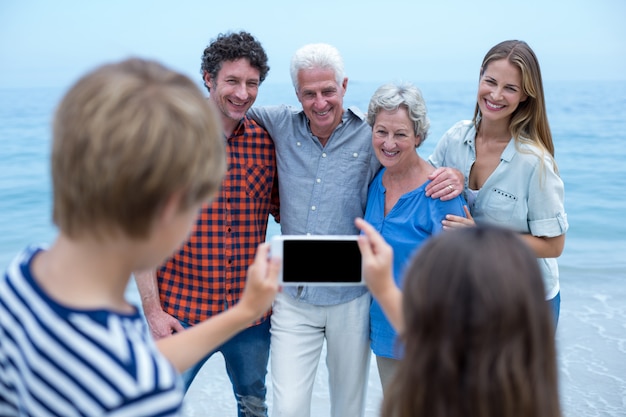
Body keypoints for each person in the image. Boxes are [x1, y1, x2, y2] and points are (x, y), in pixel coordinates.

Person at [0, 58, 279, 416]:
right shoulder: (143, 394)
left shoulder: (24, 272)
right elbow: (139, 378)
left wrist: (243, 313)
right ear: (170, 210)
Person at [133, 31, 279, 416]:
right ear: (207, 78)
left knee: (252, 406)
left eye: (252, 84)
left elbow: (297, 214)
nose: (242, 93)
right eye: (232, 81)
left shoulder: (266, 142)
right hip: (180, 316)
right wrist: (153, 313)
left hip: (250, 319)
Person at [355, 217, 562, 417]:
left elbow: (426, 339)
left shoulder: (440, 402)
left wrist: (383, 288)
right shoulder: (532, 400)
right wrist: (384, 289)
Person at [426, 40, 568, 327]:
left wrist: (484, 237)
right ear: (480, 77)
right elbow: (421, 186)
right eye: (490, 81)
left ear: (526, 96)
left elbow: (553, 245)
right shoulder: (455, 138)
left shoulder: (534, 161)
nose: (496, 94)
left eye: (510, 88)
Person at [364, 82, 467, 392]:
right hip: (384, 332)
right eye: (381, 131)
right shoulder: (375, 180)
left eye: (401, 134)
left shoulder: (440, 192)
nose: (389, 143)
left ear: (419, 137)